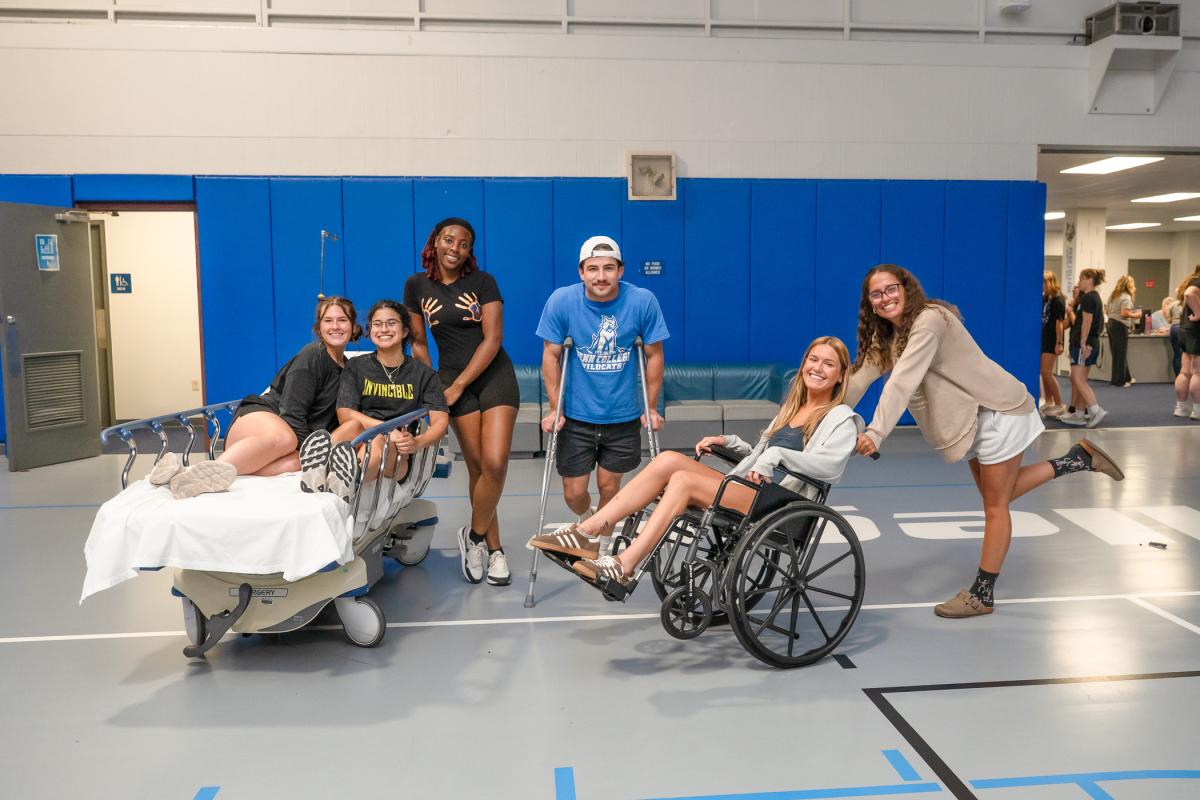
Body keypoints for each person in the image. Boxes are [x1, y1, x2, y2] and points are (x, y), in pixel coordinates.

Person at [846, 264, 1124, 619]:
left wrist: (876, 432)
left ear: (906, 288)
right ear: (869, 303)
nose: (885, 298)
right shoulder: (888, 335)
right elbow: (861, 377)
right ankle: (1077, 460)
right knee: (998, 495)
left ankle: (982, 594)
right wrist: (825, 414)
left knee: (995, 505)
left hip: (997, 411)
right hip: (970, 419)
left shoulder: (929, 320)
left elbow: (901, 381)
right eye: (876, 293)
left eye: (891, 289)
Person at [529, 337, 861, 586]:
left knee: (683, 481)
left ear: (841, 375)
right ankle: (588, 531)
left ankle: (625, 565)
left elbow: (828, 468)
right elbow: (762, 455)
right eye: (812, 360)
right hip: (750, 489)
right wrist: (729, 442)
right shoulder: (792, 409)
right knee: (669, 459)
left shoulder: (841, 417)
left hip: (778, 505)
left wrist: (776, 454)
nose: (817, 368)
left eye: (828, 364)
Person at [147, 296, 360, 500]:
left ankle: (185, 474)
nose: (335, 327)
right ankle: (203, 472)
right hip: (260, 418)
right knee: (288, 440)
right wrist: (304, 448)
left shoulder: (349, 370)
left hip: (283, 437)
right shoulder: (313, 354)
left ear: (353, 326)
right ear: (319, 327)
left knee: (295, 464)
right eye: (328, 321)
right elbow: (291, 412)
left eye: (342, 320)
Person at [404, 217, 520, 587]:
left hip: (493, 376)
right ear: (435, 242)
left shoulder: (483, 283)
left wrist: (458, 385)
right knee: (476, 467)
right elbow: (419, 343)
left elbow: (493, 339)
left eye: (464, 243)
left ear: (470, 250)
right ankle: (494, 549)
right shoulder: (416, 286)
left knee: (496, 463)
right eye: (449, 240)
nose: (455, 248)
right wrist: (436, 387)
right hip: (450, 380)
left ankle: (472, 536)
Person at [533, 235, 668, 546]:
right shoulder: (562, 301)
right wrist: (556, 408)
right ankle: (587, 517)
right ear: (581, 272)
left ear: (621, 271)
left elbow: (654, 355)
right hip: (578, 417)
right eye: (593, 269)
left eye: (609, 268)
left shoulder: (642, 301)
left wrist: (650, 406)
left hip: (623, 415)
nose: (601, 276)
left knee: (610, 487)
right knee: (575, 493)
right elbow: (551, 355)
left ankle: (600, 547)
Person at [328, 300, 449, 496]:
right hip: (360, 441)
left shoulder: (424, 374)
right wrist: (384, 429)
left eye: (391, 323)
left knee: (379, 440)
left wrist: (417, 442)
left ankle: (342, 479)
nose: (384, 329)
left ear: (404, 331)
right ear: (370, 331)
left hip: (397, 455)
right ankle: (321, 467)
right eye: (377, 324)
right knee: (353, 427)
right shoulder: (357, 366)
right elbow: (345, 414)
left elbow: (440, 423)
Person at [1060, 268, 1108, 428]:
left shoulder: (1088, 298)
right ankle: (1080, 413)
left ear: (1088, 279)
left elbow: (1087, 322)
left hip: (1084, 344)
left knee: (1078, 379)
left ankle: (1095, 409)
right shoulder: (1091, 298)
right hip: (1088, 342)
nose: (1078, 283)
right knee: (1080, 379)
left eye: (1081, 279)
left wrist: (1082, 343)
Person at [1040, 271, 1067, 417]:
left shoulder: (1058, 299)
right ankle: (1049, 401)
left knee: (1047, 372)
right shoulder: (1045, 298)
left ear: (1050, 282)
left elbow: (1060, 324)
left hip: (1052, 340)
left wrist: (1059, 343)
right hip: (1043, 339)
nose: (1042, 285)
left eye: (1044, 282)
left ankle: (1059, 403)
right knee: (1043, 373)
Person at [1104, 275, 1140, 388]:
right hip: (1120, 326)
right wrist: (1136, 315)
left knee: (1117, 353)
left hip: (1110, 324)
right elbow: (1124, 313)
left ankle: (1127, 378)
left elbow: (1106, 310)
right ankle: (1119, 381)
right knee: (1120, 354)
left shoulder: (1113, 296)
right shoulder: (1126, 297)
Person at [1175, 265, 1200, 419]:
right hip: (1196, 331)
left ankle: (1181, 407)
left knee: (1185, 371)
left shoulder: (1192, 279)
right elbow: (1189, 294)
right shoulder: (1197, 283)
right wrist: (1198, 313)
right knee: (1198, 372)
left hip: (1185, 329)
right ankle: (1197, 410)